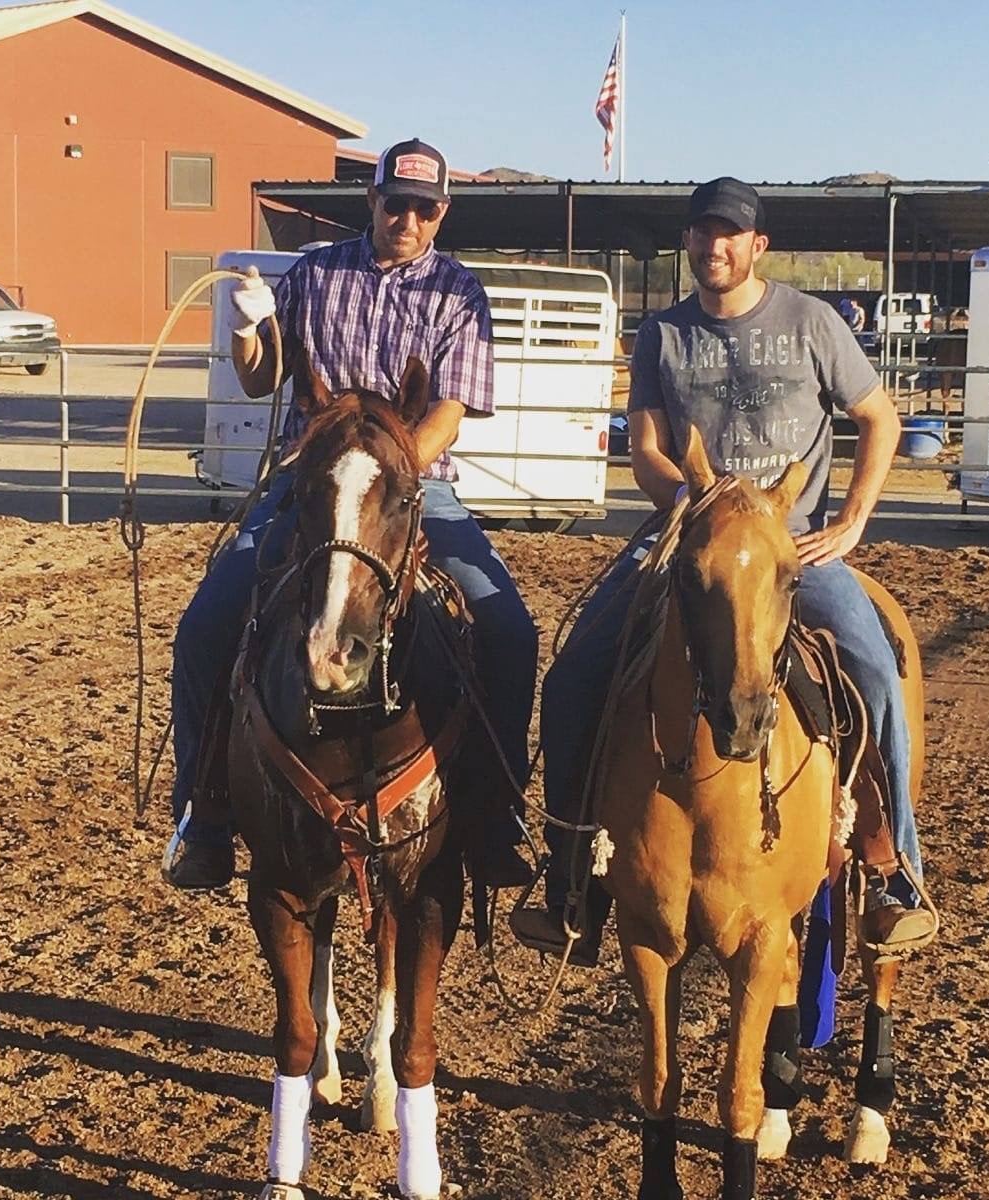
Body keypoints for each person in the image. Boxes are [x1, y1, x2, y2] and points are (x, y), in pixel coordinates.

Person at [512, 177, 932, 964]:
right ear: (690, 242)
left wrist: (851, 521)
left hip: (788, 546)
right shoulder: (663, 334)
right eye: (703, 233)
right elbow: (646, 449)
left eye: (730, 234)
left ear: (756, 246)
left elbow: (879, 417)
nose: (714, 246)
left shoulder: (812, 322)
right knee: (572, 679)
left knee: (875, 670)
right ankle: (570, 878)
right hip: (685, 538)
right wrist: (692, 503)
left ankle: (893, 870)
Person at [165, 138, 537, 890]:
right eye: (396, 203)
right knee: (206, 625)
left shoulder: (459, 293)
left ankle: (495, 811)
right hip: (310, 484)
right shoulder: (315, 273)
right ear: (372, 200)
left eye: (424, 209)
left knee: (508, 630)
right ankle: (204, 814)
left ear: (441, 213)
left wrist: (391, 480)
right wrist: (247, 328)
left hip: (413, 487)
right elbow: (261, 379)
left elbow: (448, 413)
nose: (408, 220)